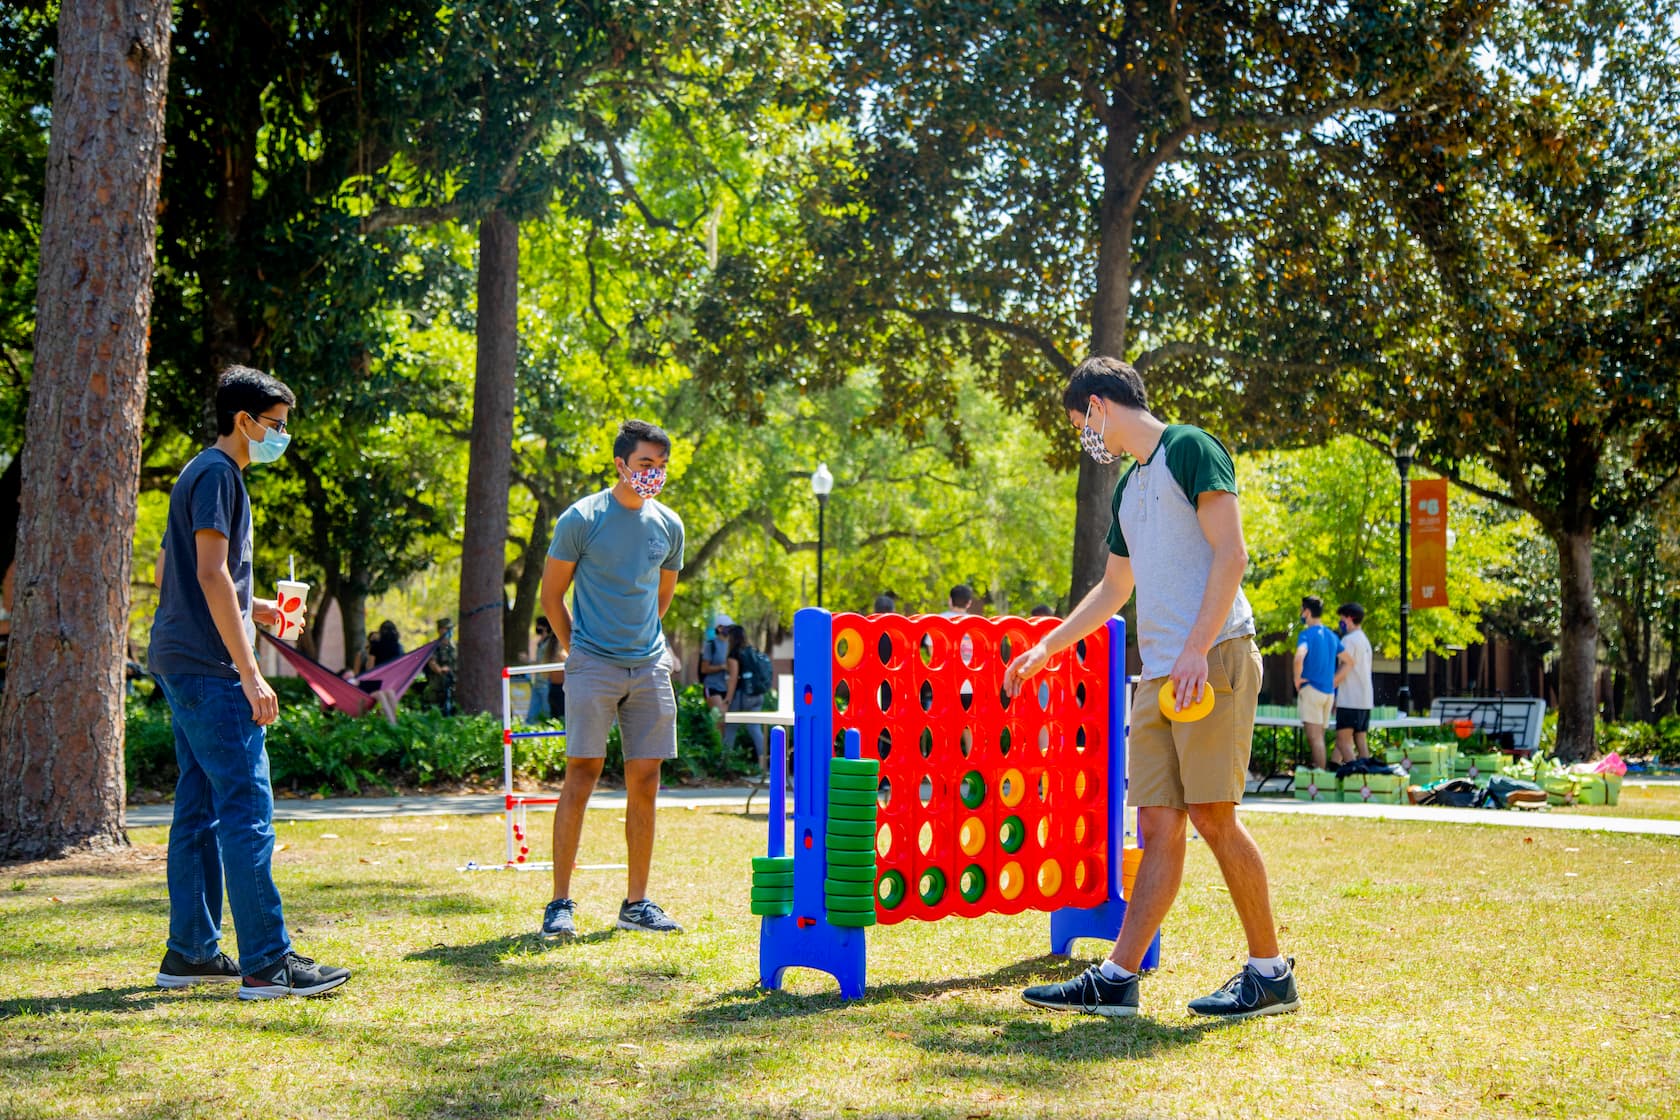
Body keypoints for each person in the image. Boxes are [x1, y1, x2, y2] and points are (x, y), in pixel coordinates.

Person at [1008, 355, 1296, 1021]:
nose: (1086, 435)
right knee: (1158, 823)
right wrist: (1049, 645)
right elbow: (1114, 588)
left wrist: (1197, 648)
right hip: (1162, 671)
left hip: (1214, 656)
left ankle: (1270, 972)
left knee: (1213, 817)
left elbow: (1232, 553)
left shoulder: (1189, 448)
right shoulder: (1129, 489)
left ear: (1101, 405)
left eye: (1082, 421)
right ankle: (1117, 978)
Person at [146, 365, 350, 999]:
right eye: (277, 425)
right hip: (210, 670)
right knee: (247, 810)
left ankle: (192, 953)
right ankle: (268, 960)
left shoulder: (195, 472)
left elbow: (172, 571)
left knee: (198, 810)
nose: (280, 437)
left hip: (179, 657)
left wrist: (252, 604)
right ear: (244, 421)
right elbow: (208, 575)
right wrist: (251, 669)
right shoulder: (220, 475)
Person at [538, 419, 685, 940]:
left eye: (661, 467)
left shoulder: (669, 525)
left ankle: (637, 903)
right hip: (592, 664)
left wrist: (647, 648)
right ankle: (559, 903)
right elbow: (551, 596)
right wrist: (578, 648)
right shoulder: (582, 518)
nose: (654, 475)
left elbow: (661, 598)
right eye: (646, 464)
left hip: (648, 666)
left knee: (646, 781)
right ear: (621, 463)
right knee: (582, 774)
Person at [1294, 595, 1342, 769]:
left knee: (1315, 739)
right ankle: (1321, 781)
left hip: (1311, 690)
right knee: (1319, 737)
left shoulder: (1306, 634)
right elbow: (1349, 661)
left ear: (1307, 612)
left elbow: (1299, 656)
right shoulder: (1331, 635)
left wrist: (1297, 679)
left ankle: (1319, 782)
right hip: (1328, 693)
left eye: (1302, 610)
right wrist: (1334, 681)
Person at [724, 624, 772, 769]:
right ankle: (763, 765)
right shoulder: (753, 651)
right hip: (757, 695)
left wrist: (727, 699)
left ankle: (725, 763)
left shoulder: (734, 654)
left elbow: (733, 679)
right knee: (754, 728)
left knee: (731, 727)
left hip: (743, 696)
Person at [1333, 602, 1375, 763]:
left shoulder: (1348, 640)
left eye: (1342, 618)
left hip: (1350, 699)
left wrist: (1331, 686)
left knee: (1343, 742)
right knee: (1360, 741)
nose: (1341, 622)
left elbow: (1346, 666)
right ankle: (1366, 777)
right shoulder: (1364, 640)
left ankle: (1356, 772)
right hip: (1364, 700)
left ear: (1350, 618)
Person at [525, 616, 563, 723]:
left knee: (548, 713)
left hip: (547, 682)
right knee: (531, 715)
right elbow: (539, 661)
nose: (537, 627)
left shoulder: (552, 642)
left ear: (545, 627)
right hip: (537, 682)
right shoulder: (541, 643)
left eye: (539, 625)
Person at [699, 612, 733, 731]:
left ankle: (723, 748)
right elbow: (704, 668)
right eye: (727, 627)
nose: (729, 630)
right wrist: (722, 667)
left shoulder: (731, 645)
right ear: (719, 628)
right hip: (712, 687)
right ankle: (717, 748)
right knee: (719, 720)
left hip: (726, 688)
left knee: (726, 723)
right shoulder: (711, 644)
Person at [424, 618, 456, 714]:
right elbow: (432, 662)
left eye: (450, 628)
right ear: (440, 630)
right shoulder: (435, 647)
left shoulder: (454, 647)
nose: (449, 631)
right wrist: (441, 670)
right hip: (437, 685)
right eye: (446, 628)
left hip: (453, 685)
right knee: (437, 711)